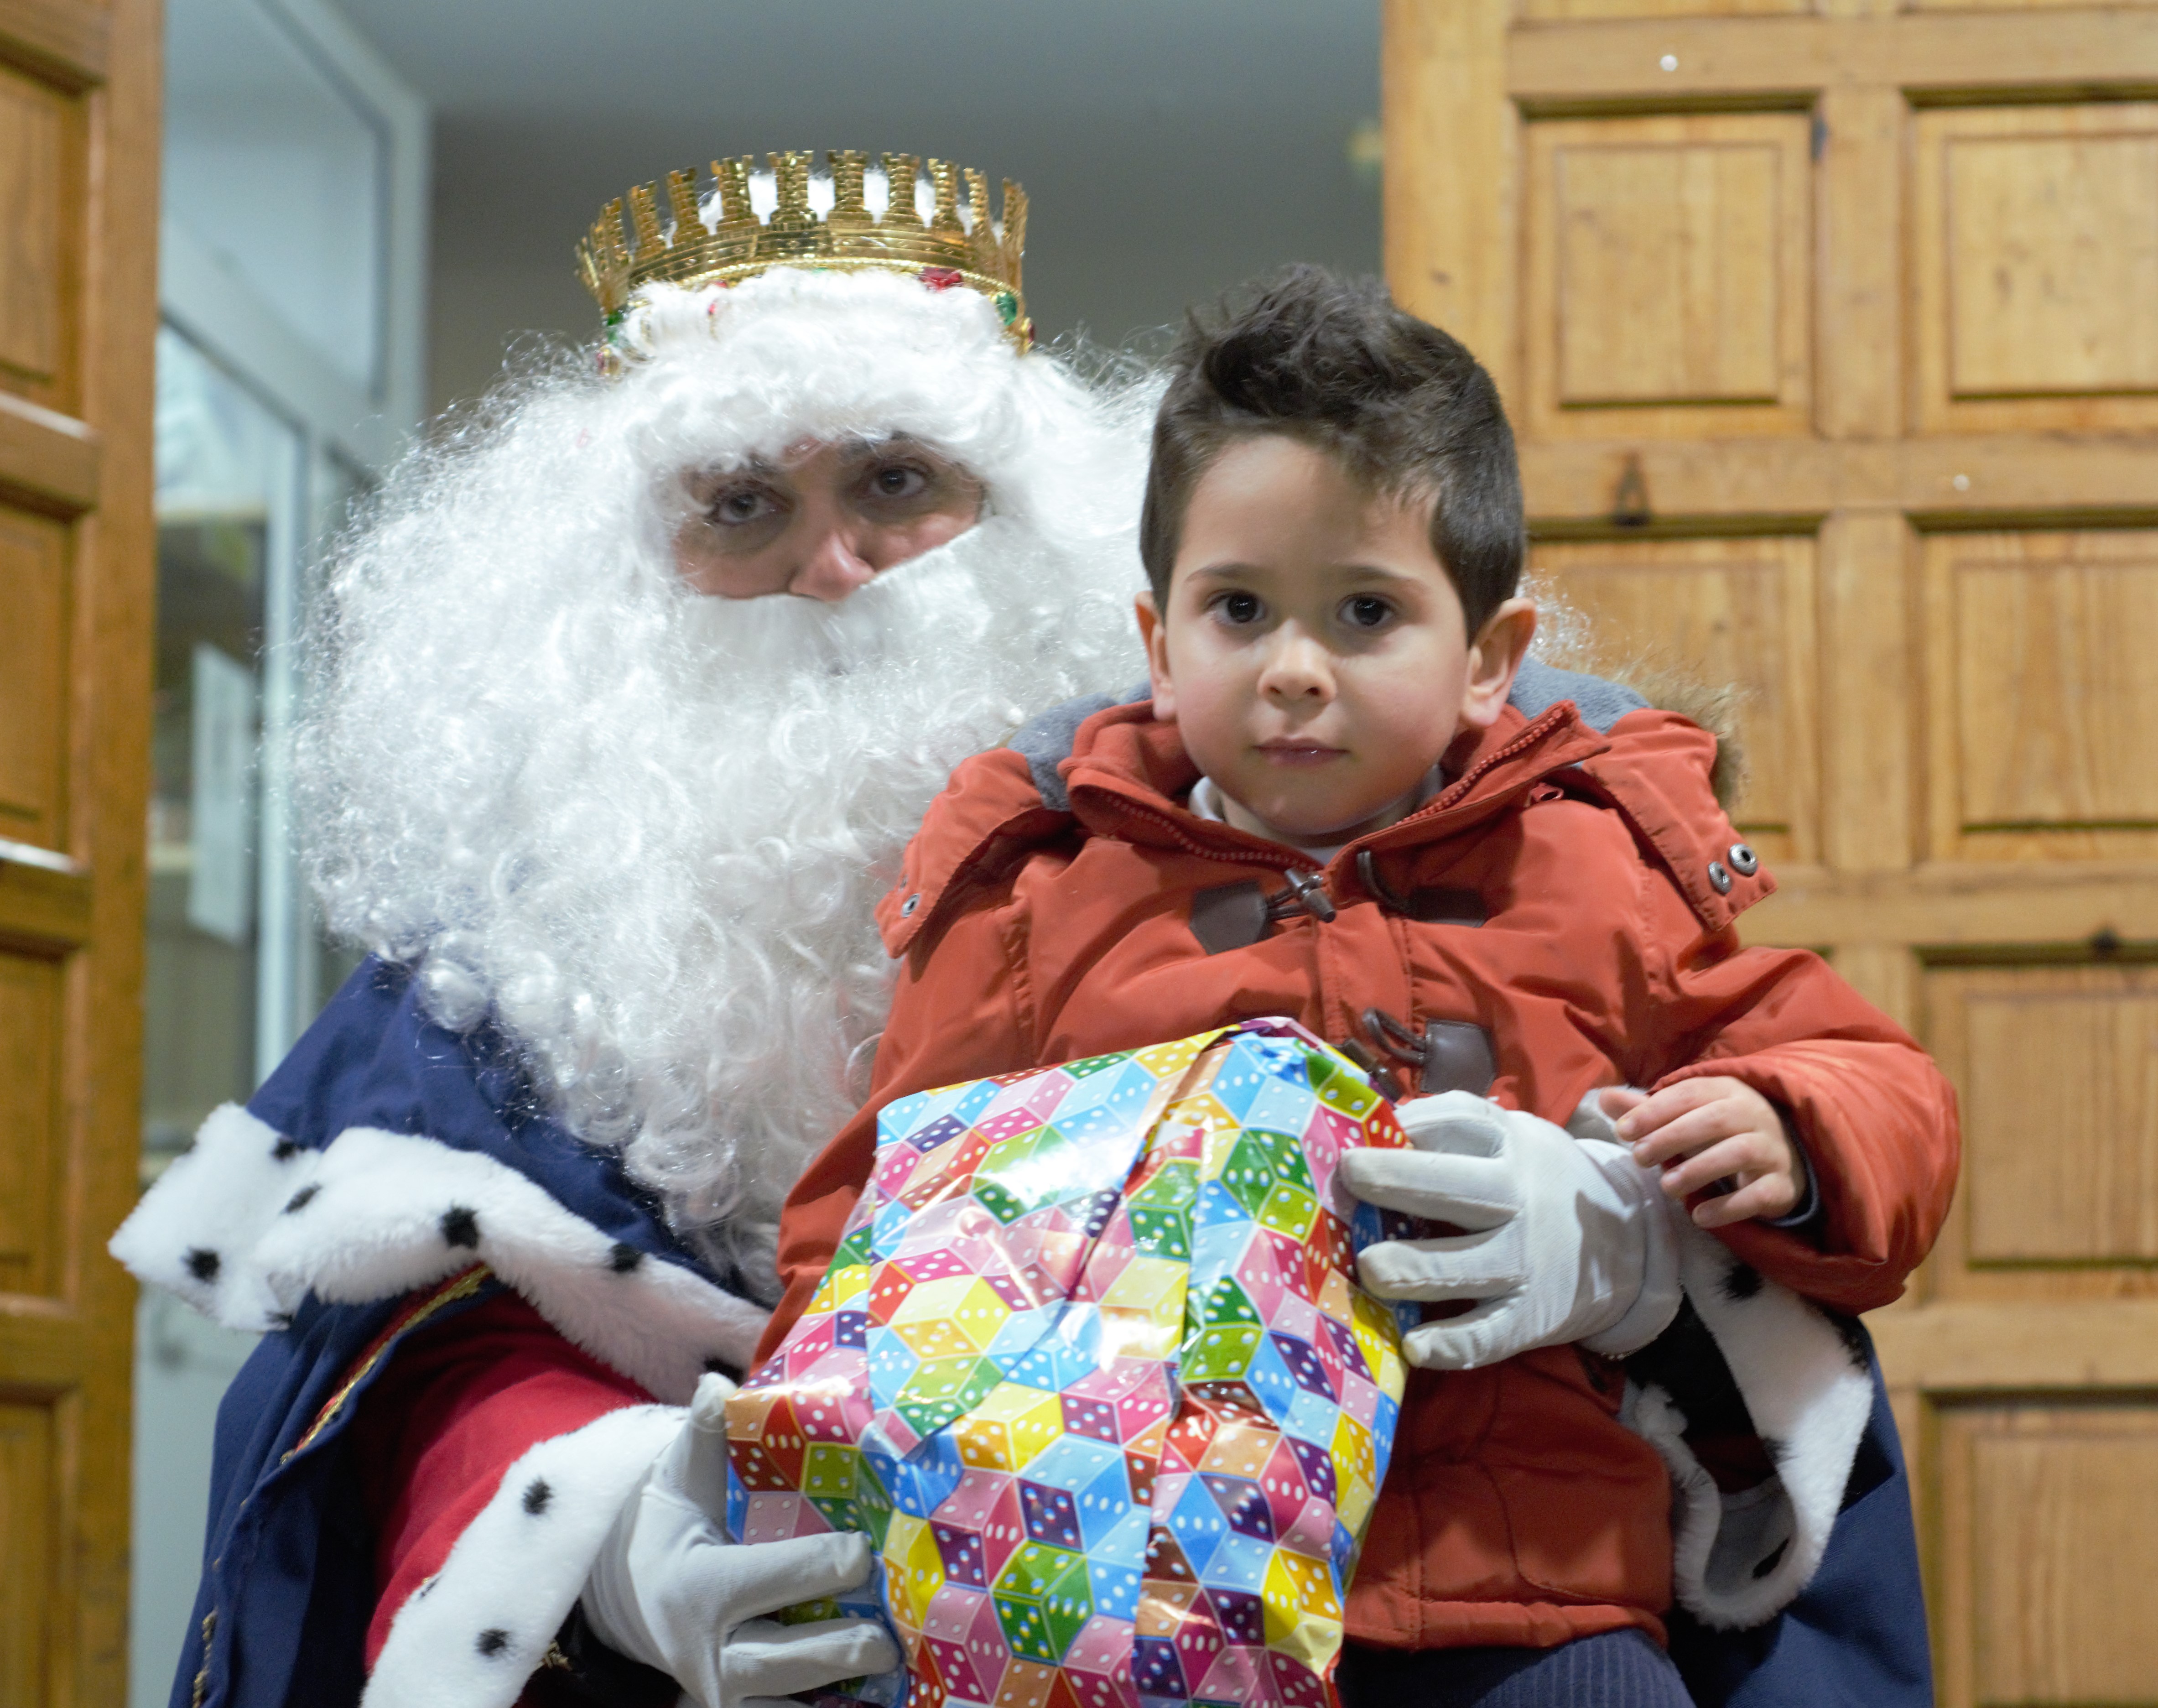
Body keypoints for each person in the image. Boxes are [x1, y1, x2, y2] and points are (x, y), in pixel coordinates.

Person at [764, 268, 1960, 1707]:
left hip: (1525, 1587)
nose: (1292, 669)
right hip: (1143, 1588)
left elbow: (1874, 1079)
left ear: (1489, 661)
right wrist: (818, 1457)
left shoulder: (1597, 869)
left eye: (1364, 612)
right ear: (1157, 647)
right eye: (1239, 608)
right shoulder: (1038, 903)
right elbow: (874, 1220)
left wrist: (1787, 1126)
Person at [110, 151, 1155, 1708]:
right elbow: (415, 1358)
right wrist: (601, 1534)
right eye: (742, 505)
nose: (831, 569)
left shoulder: (1229, 859)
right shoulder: (507, 971)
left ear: (1032, 521)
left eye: (893, 484)